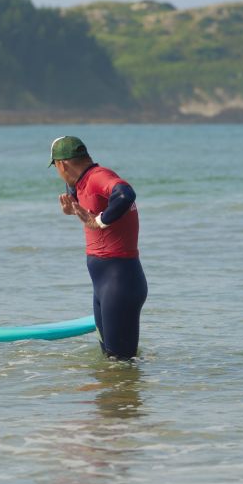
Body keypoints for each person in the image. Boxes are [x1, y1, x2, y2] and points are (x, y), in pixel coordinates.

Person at [50, 135, 147, 359]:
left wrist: (99, 221)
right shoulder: (83, 180)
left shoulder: (98, 177)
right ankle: (113, 394)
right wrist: (73, 209)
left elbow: (125, 194)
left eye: (56, 167)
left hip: (120, 280)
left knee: (120, 362)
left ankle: (123, 394)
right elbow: (81, 193)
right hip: (104, 284)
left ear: (62, 164)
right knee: (110, 359)